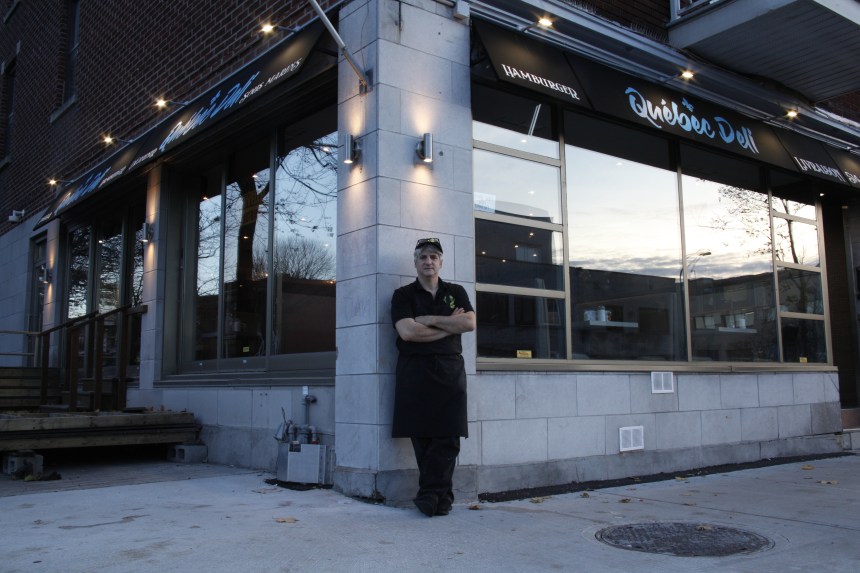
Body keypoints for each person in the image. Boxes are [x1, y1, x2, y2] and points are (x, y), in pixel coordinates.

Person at [391, 237, 476, 517]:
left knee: (448, 436)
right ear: (415, 262)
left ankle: (429, 494)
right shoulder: (402, 295)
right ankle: (442, 497)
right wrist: (449, 326)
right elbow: (408, 333)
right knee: (422, 435)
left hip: (450, 370)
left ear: (441, 262)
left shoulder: (457, 291)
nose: (429, 262)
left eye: (434, 257)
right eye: (423, 257)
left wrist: (427, 319)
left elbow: (469, 323)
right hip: (415, 371)